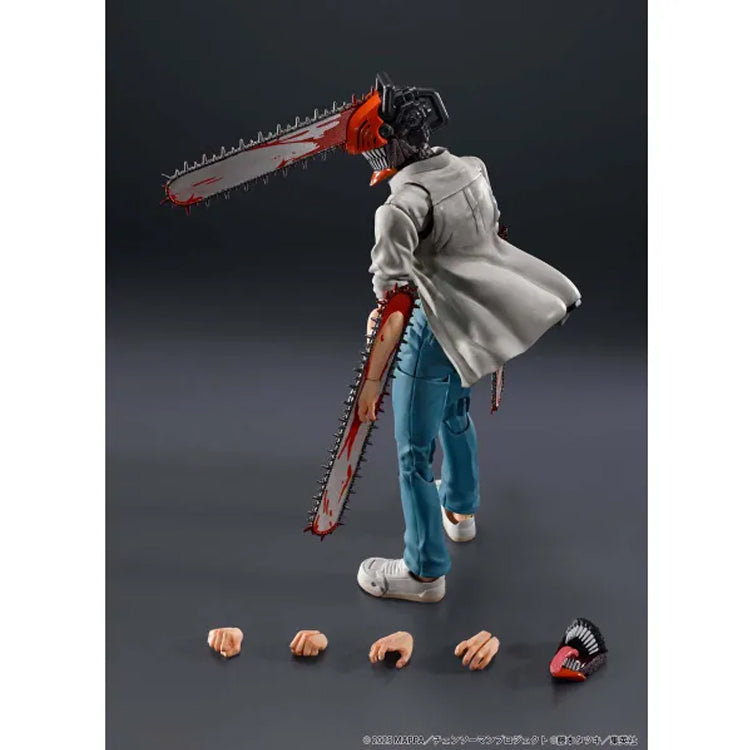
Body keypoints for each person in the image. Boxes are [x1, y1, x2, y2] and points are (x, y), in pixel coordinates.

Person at [354, 79, 581, 604]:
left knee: (414, 454)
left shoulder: (398, 209)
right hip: (471, 326)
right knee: (456, 414)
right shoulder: (472, 169)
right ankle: (460, 509)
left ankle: (423, 572)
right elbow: (493, 237)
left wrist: (373, 372)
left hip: (429, 332)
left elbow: (394, 300)